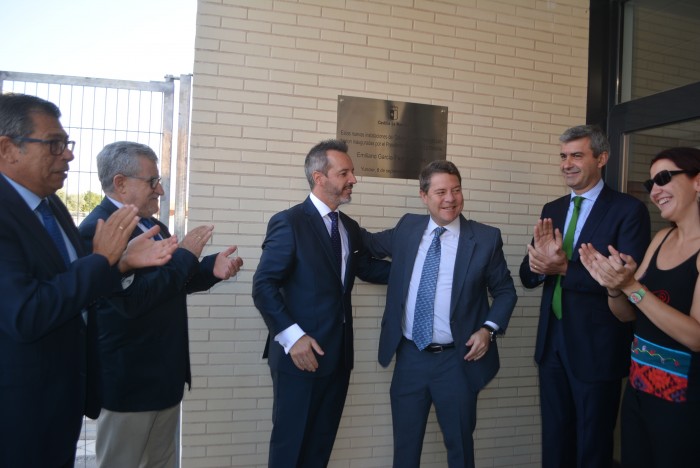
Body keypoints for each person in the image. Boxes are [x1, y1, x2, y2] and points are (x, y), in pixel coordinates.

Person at [0, 93, 177, 467]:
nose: (68, 155)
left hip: (60, 400)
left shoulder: (50, 206)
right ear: (8, 149)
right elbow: (26, 312)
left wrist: (121, 265)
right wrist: (104, 262)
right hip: (19, 409)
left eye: (67, 144)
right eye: (54, 144)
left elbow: (77, 283)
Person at [78, 141, 244, 468]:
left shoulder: (147, 224)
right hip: (129, 382)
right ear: (121, 183)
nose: (161, 190)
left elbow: (168, 281)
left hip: (162, 377)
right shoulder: (97, 231)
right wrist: (185, 255)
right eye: (153, 181)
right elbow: (130, 303)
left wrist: (208, 269)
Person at [362, 160, 517, 468]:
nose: (450, 198)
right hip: (410, 358)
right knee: (405, 449)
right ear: (424, 196)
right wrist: (330, 218)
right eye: (441, 191)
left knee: (459, 446)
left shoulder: (484, 239)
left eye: (456, 190)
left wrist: (488, 329)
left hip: (457, 361)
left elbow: (505, 292)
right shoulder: (408, 228)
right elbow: (366, 244)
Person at [252, 139, 390, 468]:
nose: (353, 179)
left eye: (352, 172)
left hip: (338, 359)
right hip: (299, 359)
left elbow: (367, 269)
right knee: (291, 448)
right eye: (345, 173)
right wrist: (293, 337)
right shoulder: (289, 222)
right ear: (320, 178)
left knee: (319, 450)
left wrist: (425, 268)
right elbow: (263, 286)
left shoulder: (349, 228)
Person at [519, 125, 651, 468]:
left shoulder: (627, 210)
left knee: (592, 445)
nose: (567, 164)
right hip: (552, 344)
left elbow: (624, 280)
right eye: (563, 156)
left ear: (602, 158)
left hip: (597, 347)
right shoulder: (554, 207)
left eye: (577, 155)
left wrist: (563, 268)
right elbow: (528, 274)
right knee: (555, 439)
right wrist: (539, 265)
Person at [579, 147, 700, 467]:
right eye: (651, 184)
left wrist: (632, 286)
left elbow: (696, 336)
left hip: (685, 402)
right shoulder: (660, 238)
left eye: (663, 178)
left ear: (698, 181)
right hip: (639, 387)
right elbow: (628, 314)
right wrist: (614, 288)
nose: (655, 190)